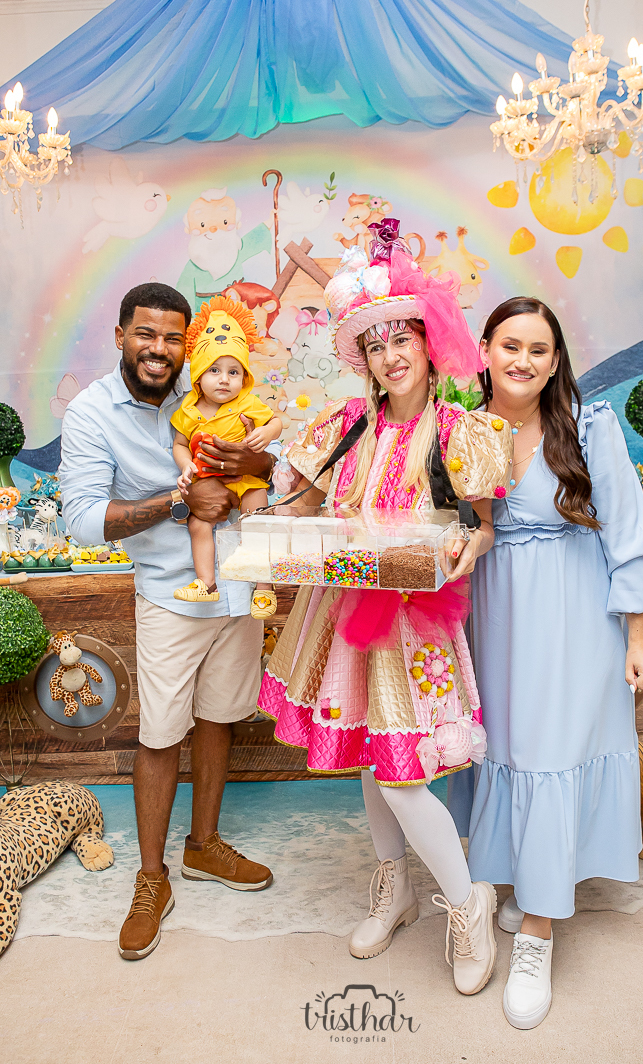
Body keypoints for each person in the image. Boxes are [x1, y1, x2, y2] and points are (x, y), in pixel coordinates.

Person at [259, 222, 513, 995]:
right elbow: (299, 507)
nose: (391, 355)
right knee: (374, 759)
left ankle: (467, 904)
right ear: (363, 359)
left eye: (402, 338)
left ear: (428, 344)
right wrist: (272, 516)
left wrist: (471, 542)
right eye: (376, 345)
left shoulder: (463, 432)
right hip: (345, 616)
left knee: (404, 772)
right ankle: (395, 887)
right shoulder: (347, 429)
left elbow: (483, 526)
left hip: (414, 624)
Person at [448, 297, 643, 1028]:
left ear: (554, 361)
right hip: (490, 616)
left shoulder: (588, 426)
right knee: (503, 750)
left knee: (547, 757)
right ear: (485, 350)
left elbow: (626, 535)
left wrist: (637, 638)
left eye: (538, 350)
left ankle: (537, 934)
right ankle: (519, 882)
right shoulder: (463, 429)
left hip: (572, 619)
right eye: (510, 345)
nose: (523, 360)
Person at [59, 282, 280, 962]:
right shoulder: (93, 412)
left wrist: (258, 464)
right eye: (144, 334)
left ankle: (203, 845)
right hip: (168, 595)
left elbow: (275, 465)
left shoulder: (215, 386)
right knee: (160, 735)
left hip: (238, 588)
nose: (158, 348)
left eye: (171, 338)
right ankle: (151, 878)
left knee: (220, 717)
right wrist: (179, 501)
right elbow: (81, 519)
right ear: (121, 335)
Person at [171, 295, 283, 614]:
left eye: (234, 372)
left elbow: (276, 421)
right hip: (208, 482)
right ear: (198, 375)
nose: (224, 379)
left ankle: (264, 588)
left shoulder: (246, 403)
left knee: (257, 523)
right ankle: (206, 583)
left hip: (246, 479)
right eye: (214, 370)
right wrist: (186, 466)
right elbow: (180, 444)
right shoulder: (189, 410)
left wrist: (267, 433)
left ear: (244, 377)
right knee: (197, 524)